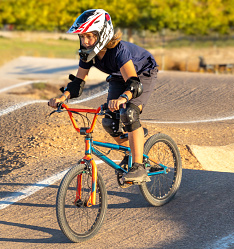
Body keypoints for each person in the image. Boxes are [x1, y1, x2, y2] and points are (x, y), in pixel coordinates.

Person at [48, 9, 158, 183]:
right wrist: (63, 97)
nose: (85, 41)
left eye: (90, 36)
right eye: (82, 37)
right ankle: (133, 147)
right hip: (117, 76)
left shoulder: (118, 51)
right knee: (108, 121)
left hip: (142, 73)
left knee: (129, 113)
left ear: (103, 34)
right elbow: (78, 83)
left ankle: (138, 167)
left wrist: (123, 98)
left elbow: (134, 85)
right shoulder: (87, 53)